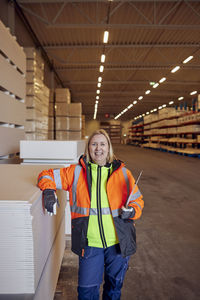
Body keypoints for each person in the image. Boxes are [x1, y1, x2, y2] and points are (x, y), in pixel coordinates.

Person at [37, 129, 144, 300]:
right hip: (90, 244)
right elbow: (46, 175)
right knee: (87, 292)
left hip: (118, 243)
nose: (98, 148)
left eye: (102, 144)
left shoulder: (124, 174)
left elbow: (137, 201)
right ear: (88, 148)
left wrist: (132, 210)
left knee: (114, 288)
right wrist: (49, 190)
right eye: (94, 144)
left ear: (108, 148)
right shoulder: (75, 172)